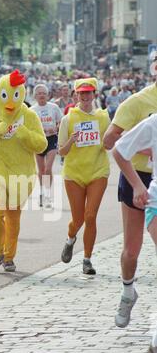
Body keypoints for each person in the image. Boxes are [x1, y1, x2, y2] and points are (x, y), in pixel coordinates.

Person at [0, 70, 47, 271]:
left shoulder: (29, 116)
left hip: (20, 174)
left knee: (13, 216)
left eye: (15, 95)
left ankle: (9, 256)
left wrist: (22, 132)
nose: (10, 102)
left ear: (22, 94)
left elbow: (41, 144)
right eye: (5, 95)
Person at [103, 59, 157, 330]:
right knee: (132, 251)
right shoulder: (137, 102)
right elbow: (109, 141)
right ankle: (127, 292)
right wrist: (145, 147)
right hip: (139, 178)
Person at [112, 114, 157, 353]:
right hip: (156, 202)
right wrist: (139, 186)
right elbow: (119, 149)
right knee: (130, 251)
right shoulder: (154, 122)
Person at [58, 78, 110, 275]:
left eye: (89, 93)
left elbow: (110, 144)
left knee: (90, 216)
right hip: (74, 174)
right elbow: (61, 152)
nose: (86, 97)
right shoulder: (68, 119)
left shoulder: (103, 118)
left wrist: (109, 142)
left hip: (98, 171)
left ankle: (87, 259)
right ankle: (71, 238)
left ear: (94, 94)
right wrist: (71, 140)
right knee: (78, 220)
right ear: (76, 95)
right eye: (82, 93)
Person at [30, 84, 62, 208]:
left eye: (44, 93)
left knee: (48, 169)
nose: (42, 95)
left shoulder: (54, 107)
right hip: (38, 141)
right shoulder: (32, 110)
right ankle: (42, 192)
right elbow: (29, 126)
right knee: (41, 170)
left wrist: (55, 128)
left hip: (52, 139)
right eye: (39, 93)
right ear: (35, 96)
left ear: (48, 95)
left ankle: (48, 195)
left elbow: (61, 121)